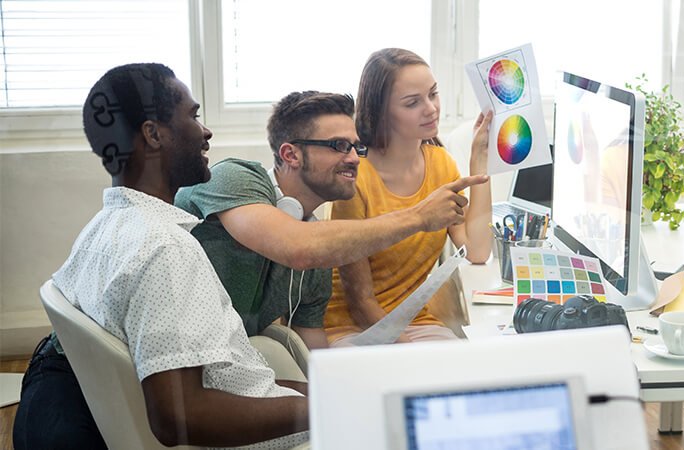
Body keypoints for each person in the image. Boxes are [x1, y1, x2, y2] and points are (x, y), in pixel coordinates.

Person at [14, 63, 309, 448]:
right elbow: (180, 416)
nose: (206, 132)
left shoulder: (108, 225)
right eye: (193, 115)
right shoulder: (164, 250)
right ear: (153, 134)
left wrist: (317, 391)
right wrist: (321, 407)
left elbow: (234, 380)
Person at [175, 91, 488, 348]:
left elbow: (315, 354)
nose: (354, 158)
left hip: (240, 364)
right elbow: (297, 247)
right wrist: (418, 216)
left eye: (356, 146)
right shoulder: (233, 177)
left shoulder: (319, 252)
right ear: (290, 155)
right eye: (339, 145)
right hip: (179, 371)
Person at [324, 48, 493, 346]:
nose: (431, 108)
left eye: (433, 94)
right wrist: (407, 352)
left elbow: (477, 251)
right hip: (353, 327)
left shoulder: (442, 164)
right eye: (413, 102)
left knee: (471, 372)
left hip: (414, 319)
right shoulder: (355, 180)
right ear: (380, 112)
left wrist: (479, 159)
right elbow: (361, 303)